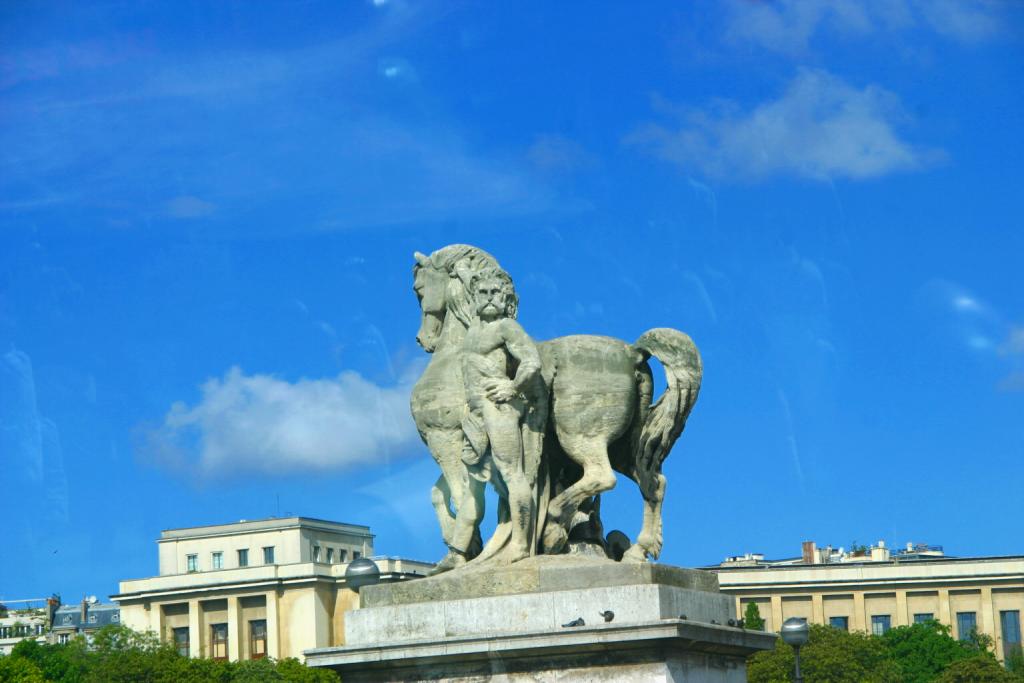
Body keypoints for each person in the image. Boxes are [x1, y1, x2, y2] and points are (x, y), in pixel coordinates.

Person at [432, 267, 546, 572]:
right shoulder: (473, 329)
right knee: (473, 483)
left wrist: (512, 386)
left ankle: (521, 545)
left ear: (506, 296)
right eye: (483, 293)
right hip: (476, 413)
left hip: (499, 409)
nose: (489, 298)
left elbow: (532, 360)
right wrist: (459, 269)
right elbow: (465, 281)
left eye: (496, 293)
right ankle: (458, 550)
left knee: (512, 475)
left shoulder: (506, 327)